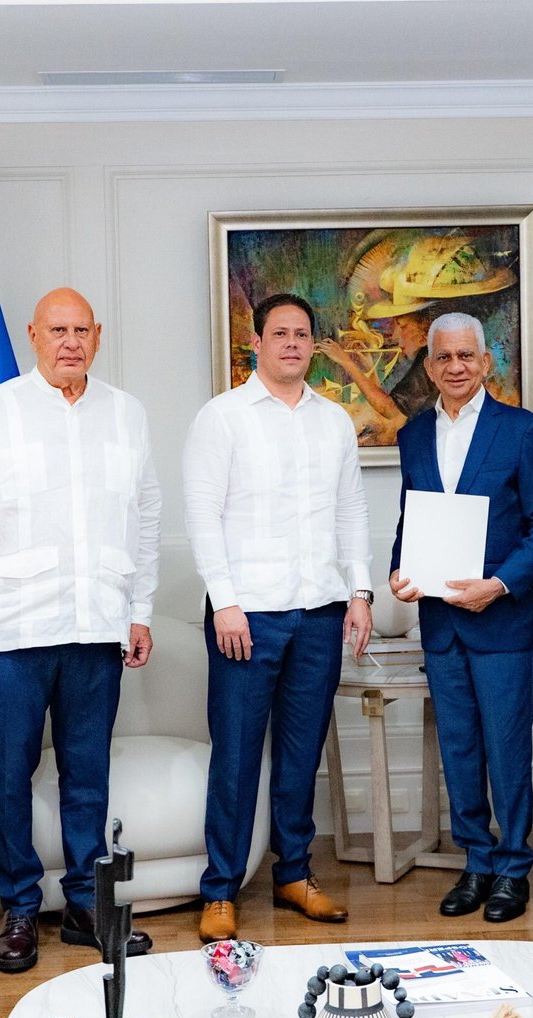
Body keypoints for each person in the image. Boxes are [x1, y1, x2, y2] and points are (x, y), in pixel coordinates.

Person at [0, 288, 160, 973]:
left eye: (81, 330)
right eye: (57, 330)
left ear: (98, 335)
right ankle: (19, 908)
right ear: (33, 335)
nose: (70, 342)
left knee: (88, 775)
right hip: (10, 634)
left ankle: (86, 906)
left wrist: (140, 610)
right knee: (6, 774)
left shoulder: (126, 414)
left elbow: (145, 518)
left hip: (96, 629)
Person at [184, 293, 374, 943]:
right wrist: (224, 602)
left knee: (301, 751)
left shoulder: (334, 421)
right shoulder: (223, 417)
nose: (292, 343)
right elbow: (203, 515)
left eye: (302, 334)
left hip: (319, 611)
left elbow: (351, 510)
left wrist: (359, 592)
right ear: (257, 343)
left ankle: (294, 874)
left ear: (313, 345)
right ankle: (220, 888)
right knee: (237, 754)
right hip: (247, 616)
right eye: (280, 333)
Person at [388, 312, 533, 922]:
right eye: (444, 357)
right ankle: (476, 862)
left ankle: (513, 868)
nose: (456, 367)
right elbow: (411, 519)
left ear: (486, 362)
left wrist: (502, 584)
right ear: (429, 366)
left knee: (507, 747)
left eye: (467, 356)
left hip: (501, 620)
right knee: (459, 748)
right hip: (440, 624)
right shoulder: (413, 434)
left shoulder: (524, 431)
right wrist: (398, 570)